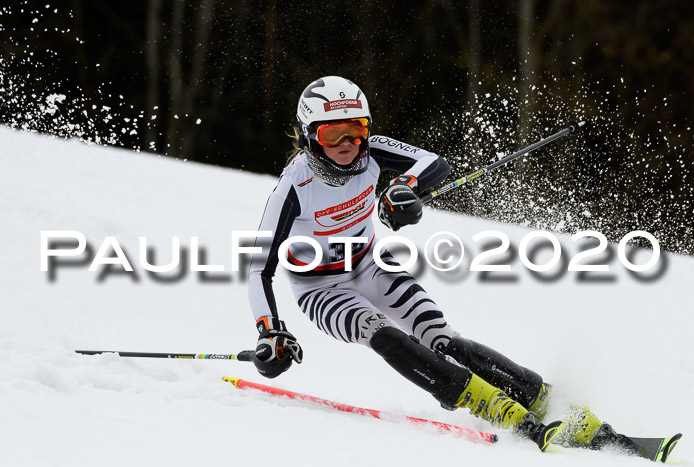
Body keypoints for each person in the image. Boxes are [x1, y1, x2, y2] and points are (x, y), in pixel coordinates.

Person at [246, 76, 599, 450]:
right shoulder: (294, 186)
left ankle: (544, 397)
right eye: (334, 134)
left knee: (443, 338)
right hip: (320, 289)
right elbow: (259, 268)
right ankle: (495, 408)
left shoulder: (372, 153)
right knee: (383, 335)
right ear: (309, 135)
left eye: (357, 129)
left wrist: (405, 188)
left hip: (370, 266)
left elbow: (434, 163)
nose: (349, 144)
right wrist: (271, 330)